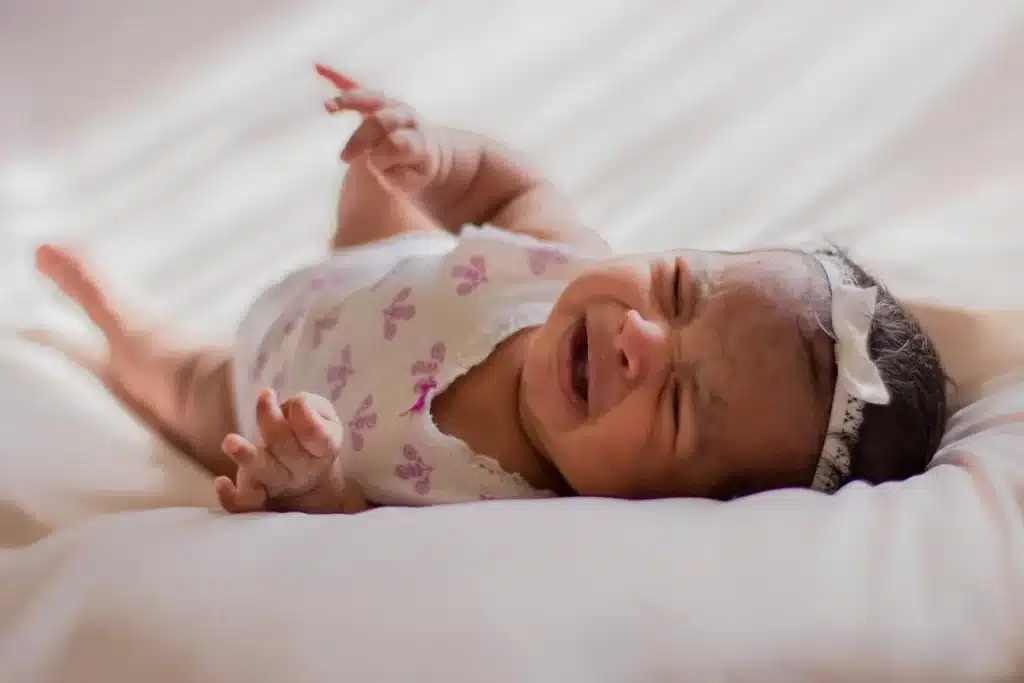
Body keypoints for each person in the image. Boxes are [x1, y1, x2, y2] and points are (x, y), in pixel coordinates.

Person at [33, 64, 947, 515]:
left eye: (677, 403)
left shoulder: (499, 512)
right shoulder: (559, 261)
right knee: (380, 185)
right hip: (376, 264)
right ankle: (383, 167)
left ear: (672, 508)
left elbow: (352, 530)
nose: (640, 335)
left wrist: (311, 479)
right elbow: (508, 192)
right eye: (676, 287)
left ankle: (113, 312)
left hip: (260, 388)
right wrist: (433, 160)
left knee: (175, 378)